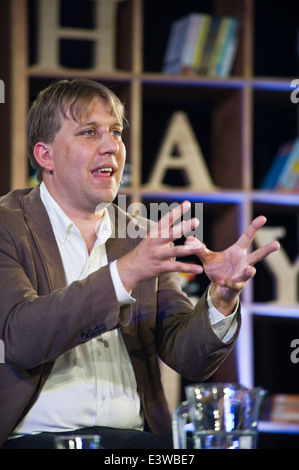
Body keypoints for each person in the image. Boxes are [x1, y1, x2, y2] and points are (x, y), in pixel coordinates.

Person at [0, 79, 279, 449]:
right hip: (35, 439)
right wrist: (127, 271)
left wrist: (221, 299)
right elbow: (21, 338)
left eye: (115, 132)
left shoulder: (140, 234)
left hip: (135, 442)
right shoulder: (8, 225)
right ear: (45, 155)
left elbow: (187, 356)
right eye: (89, 132)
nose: (111, 147)